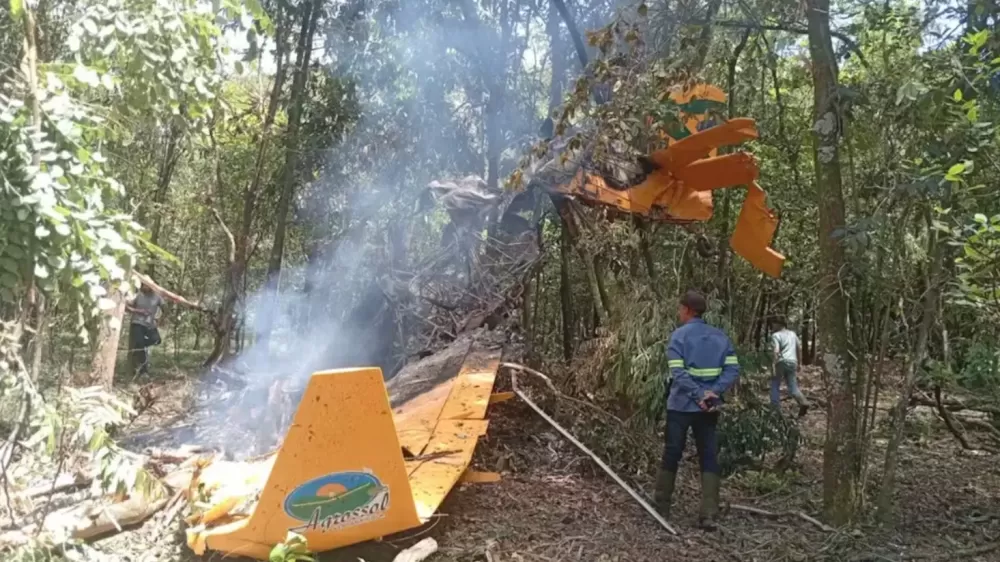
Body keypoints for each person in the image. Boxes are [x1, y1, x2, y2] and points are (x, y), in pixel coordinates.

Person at [654, 290, 740, 530]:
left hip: (681, 406)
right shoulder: (720, 337)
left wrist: (698, 394)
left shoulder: (678, 337)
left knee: (673, 451)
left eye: (680, 309)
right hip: (709, 408)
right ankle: (709, 513)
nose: (679, 313)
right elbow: (732, 370)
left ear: (688, 310)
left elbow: (678, 373)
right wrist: (713, 392)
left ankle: (661, 505)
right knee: (709, 455)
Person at [769, 317, 809, 417]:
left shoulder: (776, 335)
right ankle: (803, 402)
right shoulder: (793, 334)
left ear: (779, 324)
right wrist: (799, 363)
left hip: (781, 362)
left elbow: (776, 350)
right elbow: (798, 349)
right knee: (792, 386)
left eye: (774, 324)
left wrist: (773, 364)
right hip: (792, 362)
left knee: (775, 384)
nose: (772, 326)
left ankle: (775, 409)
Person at [126, 282, 165, 376]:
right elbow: (126, 307)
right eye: (143, 285)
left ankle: (141, 346)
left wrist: (160, 319)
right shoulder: (138, 295)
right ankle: (143, 370)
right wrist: (138, 311)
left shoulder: (157, 297)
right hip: (137, 323)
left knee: (156, 340)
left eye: (146, 285)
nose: (144, 287)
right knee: (140, 345)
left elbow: (165, 308)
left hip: (150, 324)